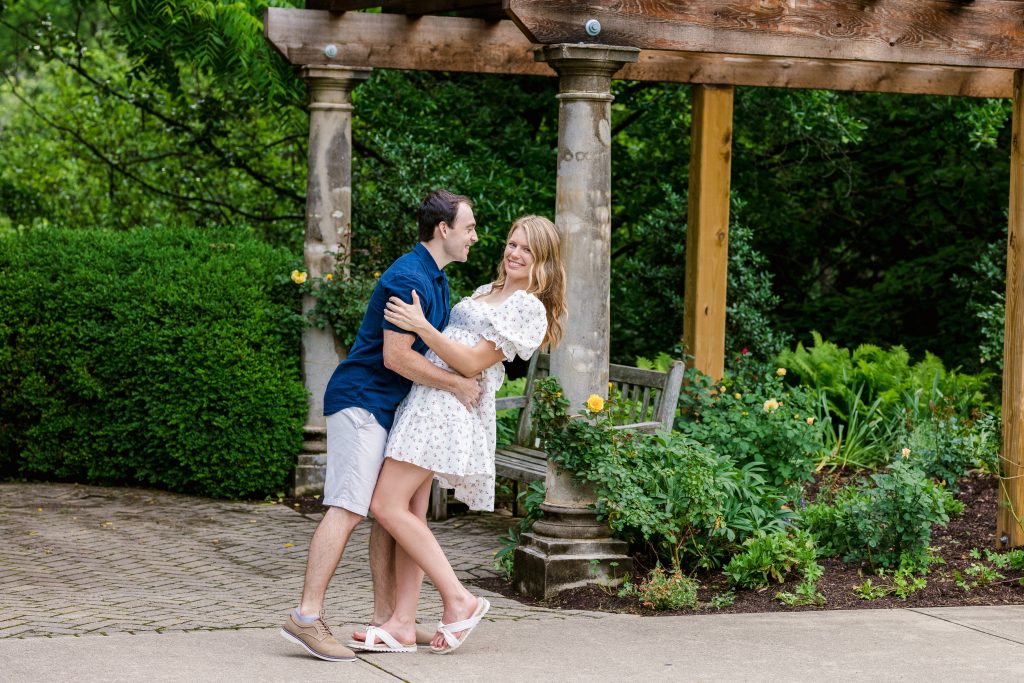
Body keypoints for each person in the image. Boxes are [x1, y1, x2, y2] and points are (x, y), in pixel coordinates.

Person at [280, 189, 483, 662]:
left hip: (386, 409)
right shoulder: (408, 276)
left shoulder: (437, 279)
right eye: (469, 227)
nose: (475, 237)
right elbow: (396, 357)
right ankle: (306, 617)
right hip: (361, 403)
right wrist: (456, 384)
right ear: (444, 229)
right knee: (348, 507)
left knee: (388, 515)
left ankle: (388, 622)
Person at [351, 215, 566, 654]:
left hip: (448, 408)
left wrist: (421, 326)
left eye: (526, 248)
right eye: (511, 243)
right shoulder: (489, 292)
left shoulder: (527, 307)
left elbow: (471, 364)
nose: (514, 253)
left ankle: (459, 599)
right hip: (427, 398)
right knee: (410, 511)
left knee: (384, 504)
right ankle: (402, 625)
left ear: (542, 259)